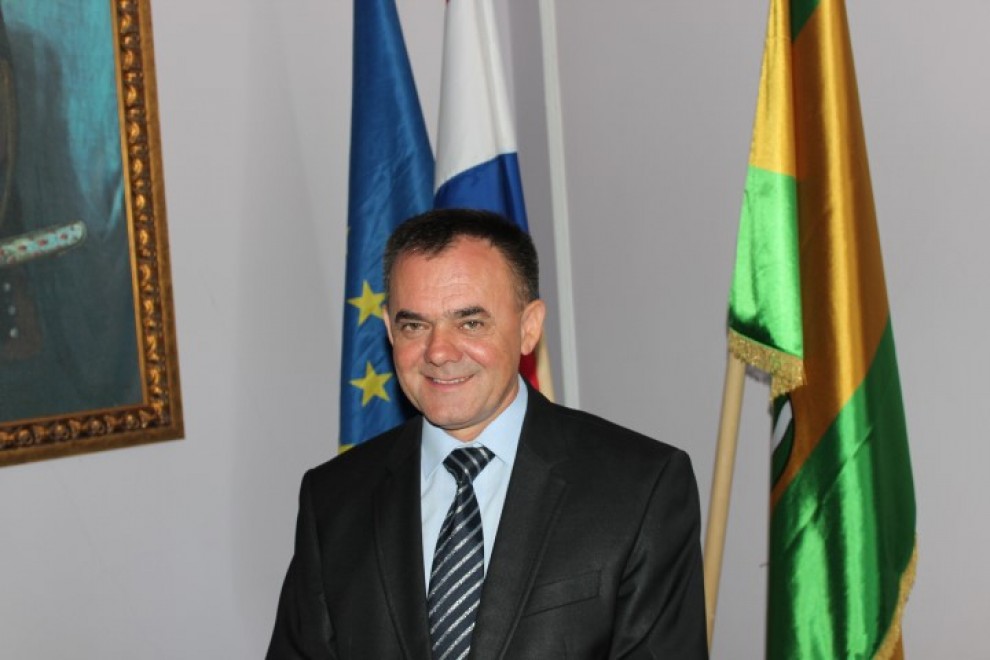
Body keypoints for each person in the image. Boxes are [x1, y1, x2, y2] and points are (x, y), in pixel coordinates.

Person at [267, 208, 708, 659]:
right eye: (414, 325)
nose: (438, 352)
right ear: (389, 331)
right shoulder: (333, 500)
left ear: (529, 328)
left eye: (470, 323)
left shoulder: (640, 488)